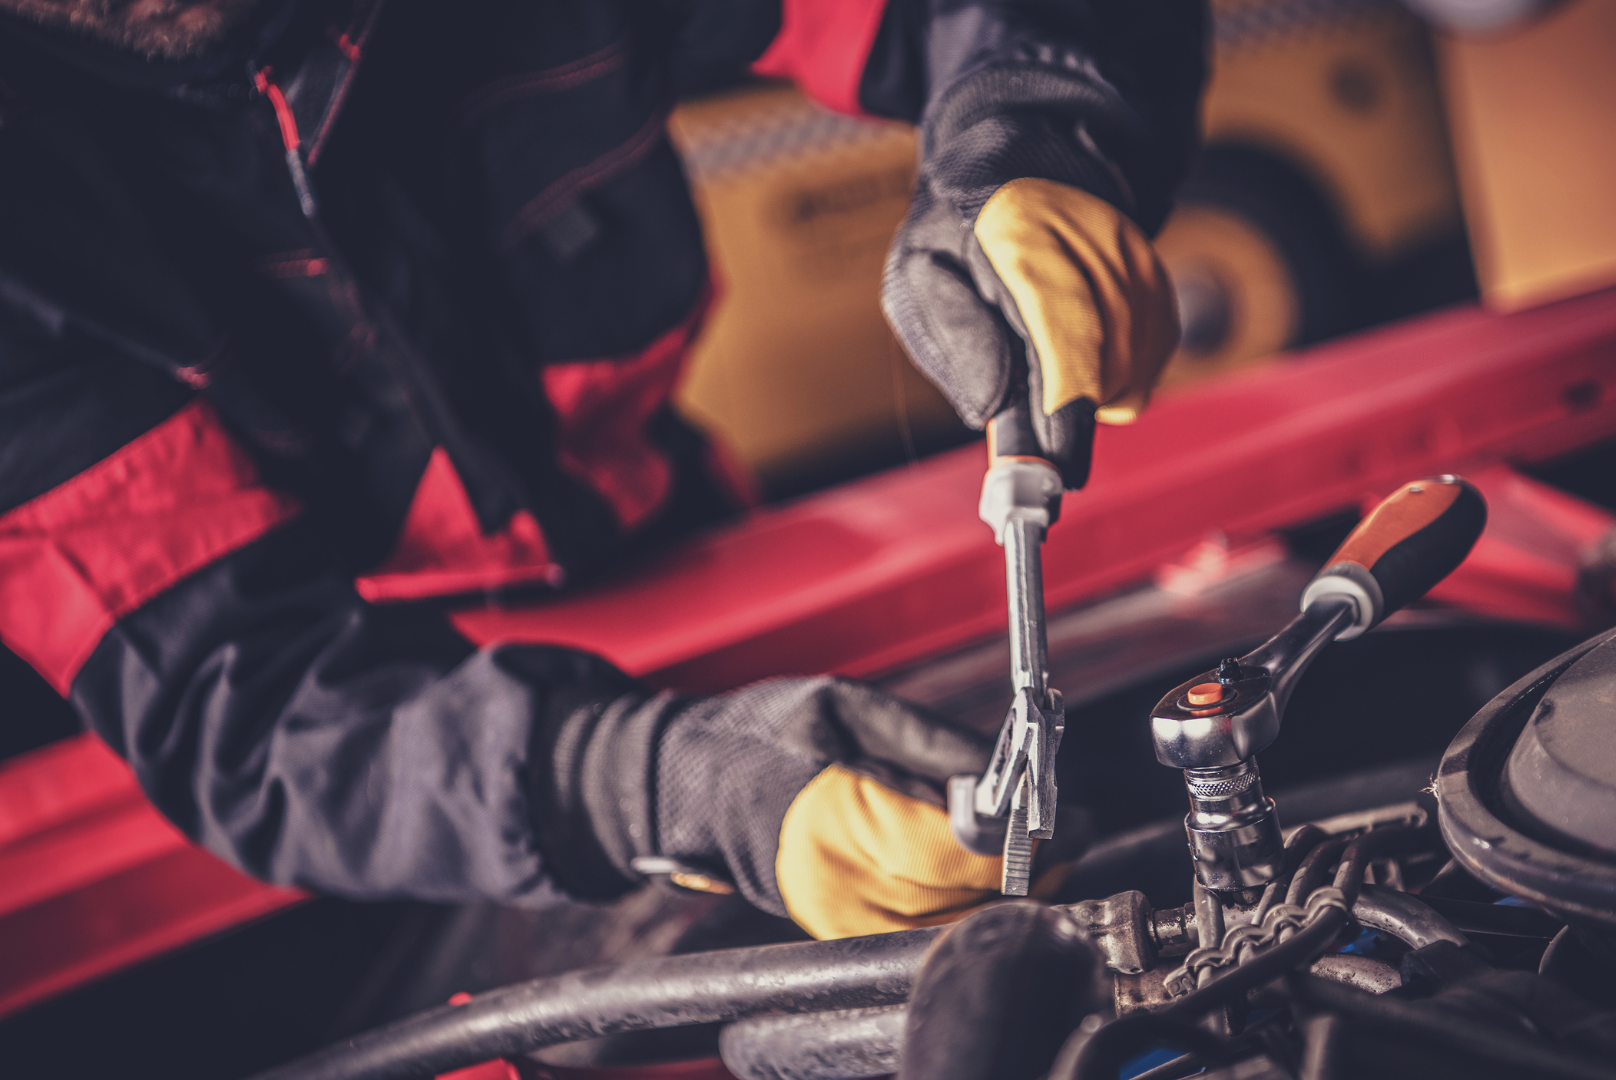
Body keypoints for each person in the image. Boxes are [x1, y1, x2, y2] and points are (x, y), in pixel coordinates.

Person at [0, 0, 1204, 940]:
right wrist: (649, 787)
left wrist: (1036, 132)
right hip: (402, 754)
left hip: (677, 525)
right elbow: (250, 695)